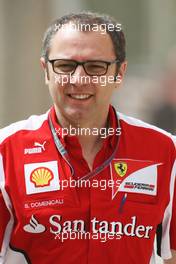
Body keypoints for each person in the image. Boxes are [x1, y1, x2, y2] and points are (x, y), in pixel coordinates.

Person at [0, 11, 175, 264]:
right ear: (46, 71)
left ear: (120, 73)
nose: (79, 80)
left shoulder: (166, 151)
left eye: (95, 67)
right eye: (65, 65)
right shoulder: (5, 152)